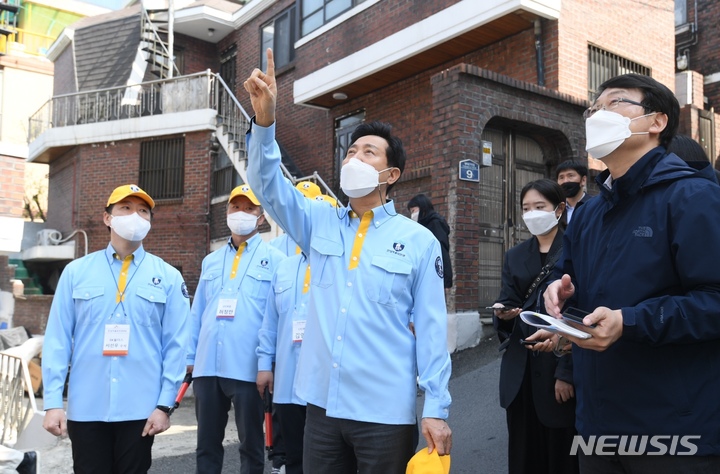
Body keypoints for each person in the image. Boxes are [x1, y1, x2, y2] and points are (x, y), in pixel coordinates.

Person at [244, 49, 452, 474]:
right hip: (320, 405)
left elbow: (432, 329)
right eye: (351, 151)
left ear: (391, 175)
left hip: (384, 413)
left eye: (369, 153)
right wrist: (265, 123)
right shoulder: (317, 223)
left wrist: (435, 406)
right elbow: (267, 185)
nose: (354, 158)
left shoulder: (418, 240)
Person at [535, 73, 720, 472]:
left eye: (615, 102)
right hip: (597, 424)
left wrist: (630, 322)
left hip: (673, 429)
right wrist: (556, 295)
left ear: (656, 122)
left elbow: (714, 300)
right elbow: (568, 280)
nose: (598, 114)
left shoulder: (692, 197)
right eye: (593, 108)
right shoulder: (588, 214)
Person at [41, 184, 190, 473]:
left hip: (141, 409)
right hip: (87, 407)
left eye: (143, 210)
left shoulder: (168, 277)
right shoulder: (76, 272)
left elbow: (176, 345)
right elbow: (58, 340)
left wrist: (164, 405)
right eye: (126, 208)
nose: (135, 215)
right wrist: (52, 402)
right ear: (107, 218)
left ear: (149, 222)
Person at [187, 184, 286, 474]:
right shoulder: (211, 260)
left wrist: (267, 364)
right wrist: (191, 358)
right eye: (235, 207)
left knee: (251, 446)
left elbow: (274, 318)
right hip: (207, 368)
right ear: (227, 211)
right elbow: (198, 313)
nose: (240, 213)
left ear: (261, 217)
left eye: (249, 208)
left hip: (248, 367)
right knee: (206, 445)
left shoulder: (277, 261)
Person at [491, 179, 577, 474]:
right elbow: (507, 301)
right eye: (526, 208)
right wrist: (503, 314)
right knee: (524, 455)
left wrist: (567, 373)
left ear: (559, 209)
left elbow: (580, 312)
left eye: (539, 207)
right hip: (521, 371)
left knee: (562, 454)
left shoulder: (577, 248)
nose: (532, 214)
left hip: (558, 368)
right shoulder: (515, 255)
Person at [256, 195, 336, 474]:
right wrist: (265, 366)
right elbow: (270, 323)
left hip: (325, 387)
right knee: (294, 458)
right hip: (288, 384)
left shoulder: (338, 265)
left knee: (327, 461)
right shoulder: (284, 268)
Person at [407, 194, 453, 288]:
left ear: (422, 208)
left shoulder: (434, 223)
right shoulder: (424, 225)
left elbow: (440, 250)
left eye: (413, 211)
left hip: (433, 273)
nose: (412, 215)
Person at [270, 180, 322, 256]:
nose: (300, 209)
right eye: (297, 203)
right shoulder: (274, 246)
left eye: (306, 204)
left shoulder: (325, 245)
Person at [555, 160, 591, 225]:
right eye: (561, 177)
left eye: (570, 176)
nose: (565, 181)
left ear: (583, 180)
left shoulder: (595, 205)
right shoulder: (555, 209)